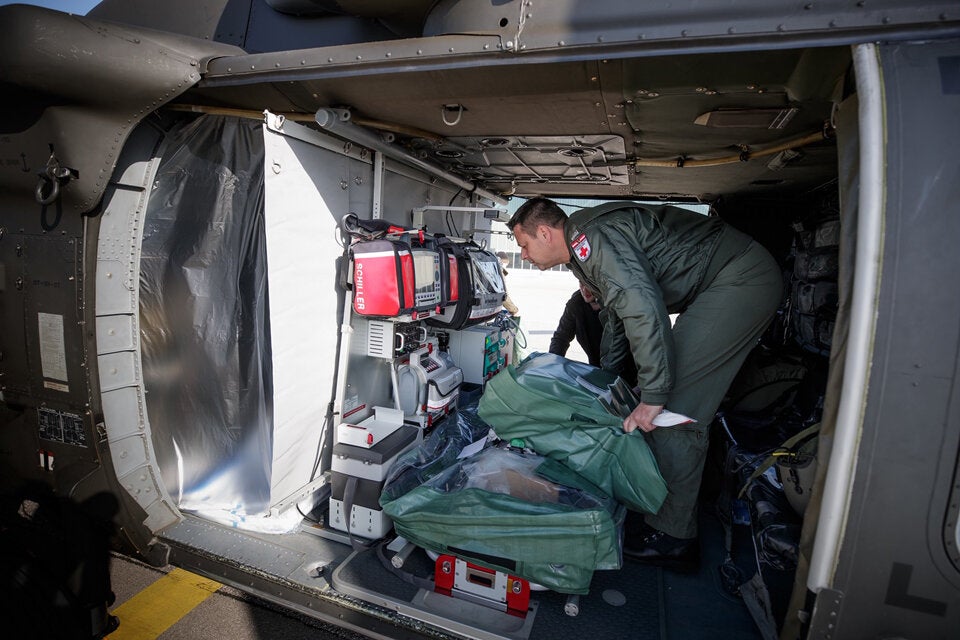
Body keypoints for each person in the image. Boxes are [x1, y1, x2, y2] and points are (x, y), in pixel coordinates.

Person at [508, 197, 782, 568]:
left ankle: (674, 537)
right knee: (661, 397)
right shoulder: (581, 256)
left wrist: (653, 394)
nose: (523, 254)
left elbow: (641, 306)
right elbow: (619, 321)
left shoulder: (594, 238)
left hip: (739, 278)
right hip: (723, 281)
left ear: (544, 232)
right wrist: (609, 379)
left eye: (523, 244)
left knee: (673, 409)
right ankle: (658, 508)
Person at [549, 282, 604, 366]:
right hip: (596, 366)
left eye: (589, 284)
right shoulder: (576, 303)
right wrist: (552, 365)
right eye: (581, 284)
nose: (585, 290)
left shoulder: (615, 304)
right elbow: (561, 338)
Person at [495, 251, 520, 315]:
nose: (505, 266)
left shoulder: (493, 269)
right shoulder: (497, 273)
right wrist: (514, 310)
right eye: (504, 263)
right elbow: (503, 296)